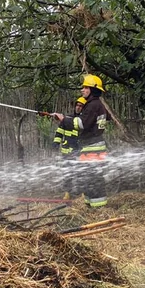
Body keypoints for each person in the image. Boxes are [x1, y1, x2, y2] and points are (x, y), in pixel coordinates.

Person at [52, 74, 110, 207]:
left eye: (85, 87)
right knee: (88, 178)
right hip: (90, 146)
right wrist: (66, 119)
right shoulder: (96, 105)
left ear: (93, 89)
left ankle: (98, 207)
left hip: (93, 147)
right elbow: (102, 118)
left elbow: (82, 124)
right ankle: (91, 205)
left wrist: (64, 119)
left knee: (93, 179)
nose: (82, 90)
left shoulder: (93, 105)